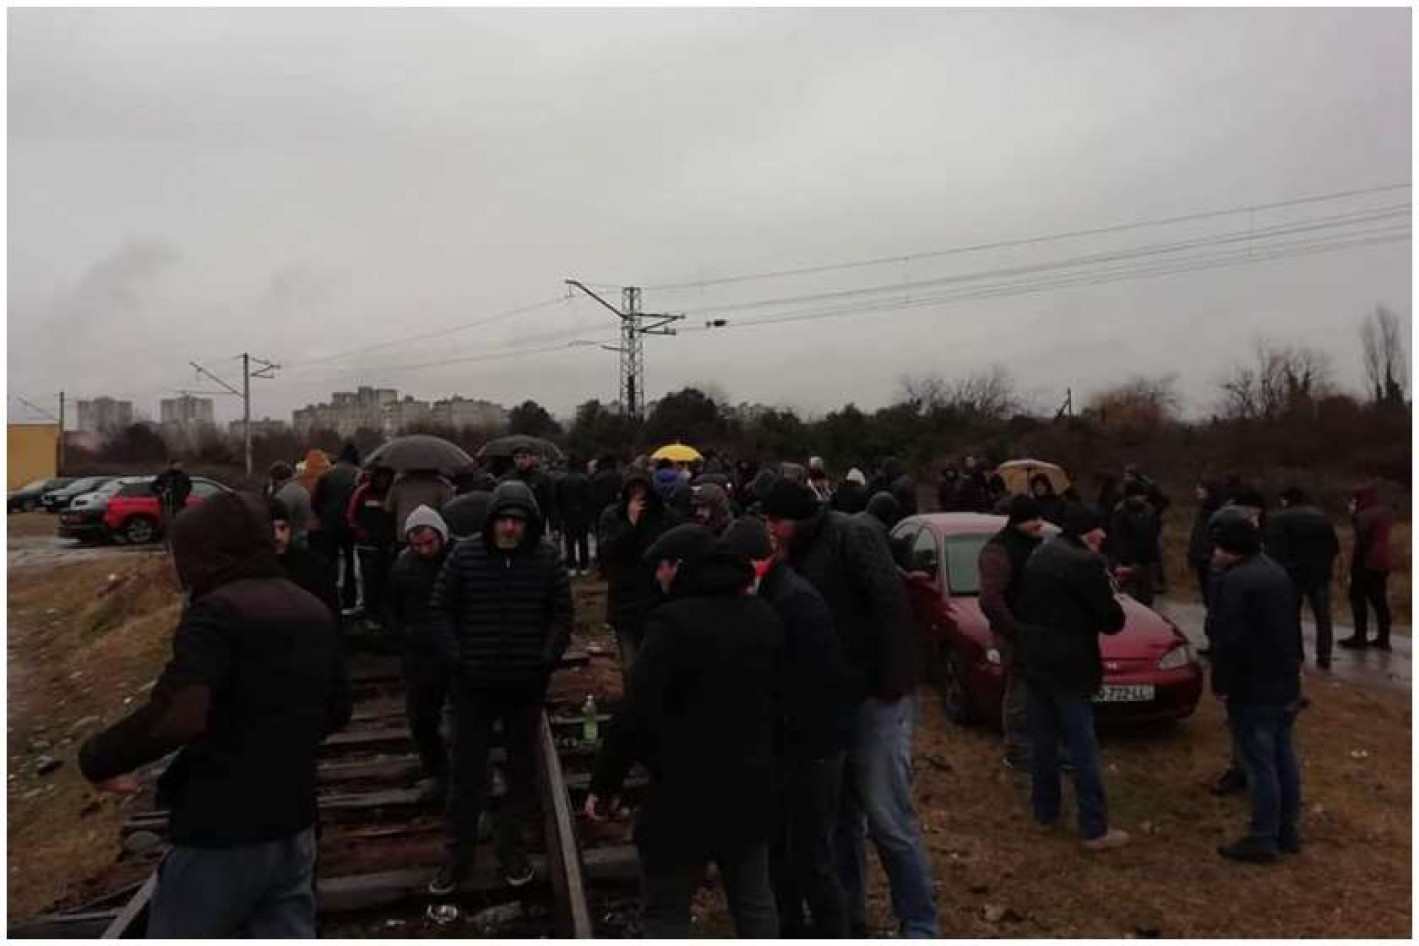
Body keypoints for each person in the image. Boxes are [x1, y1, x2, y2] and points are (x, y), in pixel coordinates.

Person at [78, 492, 350, 937]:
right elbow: (338, 710)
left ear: (201, 551)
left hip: (222, 827)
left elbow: (180, 713)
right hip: (295, 822)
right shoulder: (310, 607)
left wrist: (98, 758)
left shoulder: (215, 614)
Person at [760, 480, 938, 939]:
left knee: (888, 820)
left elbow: (891, 606)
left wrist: (891, 685)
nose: (770, 530)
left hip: (876, 701)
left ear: (798, 518)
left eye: (775, 521)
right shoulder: (793, 553)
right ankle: (850, 917)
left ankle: (920, 924)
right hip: (834, 707)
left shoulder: (852, 534)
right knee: (840, 823)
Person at [586, 524, 782, 939]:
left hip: (683, 795)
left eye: (663, 566)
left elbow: (636, 711)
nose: (658, 575)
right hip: (751, 790)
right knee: (754, 903)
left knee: (667, 911)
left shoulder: (672, 623)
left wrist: (605, 784)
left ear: (681, 567)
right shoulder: (762, 615)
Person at [428, 481, 572, 894]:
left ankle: (512, 850)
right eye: (504, 520)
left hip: (523, 686)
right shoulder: (465, 555)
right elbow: (440, 610)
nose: (510, 528)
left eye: (518, 521)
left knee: (520, 774)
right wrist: (458, 659)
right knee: (465, 775)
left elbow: (561, 614)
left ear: (529, 524)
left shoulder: (546, 558)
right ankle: (457, 855)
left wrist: (546, 658)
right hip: (473, 685)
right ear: (492, 521)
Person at [723, 516, 850, 938]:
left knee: (812, 857)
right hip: (791, 745)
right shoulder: (778, 593)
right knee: (782, 851)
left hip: (811, 749)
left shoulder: (793, 601)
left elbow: (815, 682)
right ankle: (791, 926)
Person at [1014, 503, 1129, 852]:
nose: (1104, 535)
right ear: (1086, 532)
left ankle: (1045, 812)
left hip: (1036, 660)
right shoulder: (1085, 563)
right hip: (1071, 665)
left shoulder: (1040, 554)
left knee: (1043, 742)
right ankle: (1093, 827)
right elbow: (1112, 621)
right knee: (1082, 746)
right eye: (1099, 528)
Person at [1207, 513, 1304, 863]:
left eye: (1217, 546)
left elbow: (1228, 639)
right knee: (1283, 757)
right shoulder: (1276, 572)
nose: (1213, 553)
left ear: (1228, 548)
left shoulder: (1237, 581)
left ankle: (1263, 837)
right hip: (1284, 682)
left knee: (1259, 763)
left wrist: (1221, 682)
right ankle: (1287, 830)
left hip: (1254, 686)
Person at [386, 506, 454, 803]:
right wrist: (404, 635)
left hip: (455, 650)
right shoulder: (403, 567)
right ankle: (436, 772)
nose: (424, 550)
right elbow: (392, 607)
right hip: (420, 654)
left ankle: (469, 776)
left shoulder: (458, 560)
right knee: (421, 719)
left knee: (463, 721)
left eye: (429, 543)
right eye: (417, 545)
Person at [978, 495, 1046, 770]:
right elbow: (990, 599)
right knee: (1020, 691)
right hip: (1016, 634)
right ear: (1020, 520)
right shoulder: (999, 550)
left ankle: (1036, 742)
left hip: (1035, 631)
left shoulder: (1035, 545)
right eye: (1034, 519)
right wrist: (1015, 631)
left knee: (1034, 690)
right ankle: (1017, 750)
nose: (1040, 524)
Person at [598, 469, 673, 672]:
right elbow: (607, 551)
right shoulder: (613, 516)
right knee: (631, 665)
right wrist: (630, 526)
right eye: (633, 489)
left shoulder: (662, 515)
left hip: (655, 599)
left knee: (654, 663)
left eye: (641, 489)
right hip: (625, 600)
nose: (638, 494)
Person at [1265, 487, 1341, 670]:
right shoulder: (1322, 517)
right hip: (1320, 574)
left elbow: (1276, 550)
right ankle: (1324, 655)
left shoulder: (1280, 519)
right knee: (1323, 617)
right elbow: (1334, 547)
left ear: (1286, 500)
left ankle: (1296, 653)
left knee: (1291, 615)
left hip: (1294, 574)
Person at [1340, 483, 1395, 651]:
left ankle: (1360, 636)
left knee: (1357, 598)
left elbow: (1362, 542)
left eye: (1354, 500)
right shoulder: (1384, 512)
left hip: (1366, 562)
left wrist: (1353, 515)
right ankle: (1383, 638)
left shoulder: (1363, 516)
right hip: (1383, 562)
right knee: (1380, 600)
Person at [311, 442, 362, 612]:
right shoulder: (358, 474)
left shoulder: (327, 474)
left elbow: (315, 500)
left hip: (329, 524)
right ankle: (349, 600)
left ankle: (329, 598)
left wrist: (323, 515)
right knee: (350, 563)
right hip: (350, 525)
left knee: (329, 563)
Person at [270, 498, 340, 620]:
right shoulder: (250, 569)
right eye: (271, 529)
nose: (279, 536)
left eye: (283, 528)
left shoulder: (314, 566)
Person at [347, 466, 398, 626]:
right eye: (380, 476)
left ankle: (384, 615)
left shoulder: (393, 492)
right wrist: (362, 534)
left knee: (387, 581)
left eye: (386, 476)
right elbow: (351, 516)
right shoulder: (362, 492)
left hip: (388, 544)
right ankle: (371, 614)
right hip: (367, 545)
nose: (382, 480)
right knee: (369, 581)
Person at [1108, 482, 1161, 606]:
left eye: (1143, 495)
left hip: (1147, 562)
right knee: (1130, 599)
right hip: (1129, 562)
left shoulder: (1150, 510)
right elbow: (1119, 539)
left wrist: (1155, 559)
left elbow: (1154, 535)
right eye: (1139, 495)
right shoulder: (1120, 512)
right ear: (1130, 496)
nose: (1143, 498)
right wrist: (1124, 561)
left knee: (1146, 598)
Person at [502, 448, 559, 542]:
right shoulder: (507, 478)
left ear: (531, 458)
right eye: (517, 458)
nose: (521, 461)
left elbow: (551, 503)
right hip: (514, 522)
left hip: (536, 523)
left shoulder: (542, 478)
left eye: (524, 457)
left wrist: (554, 527)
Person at [387, 469, 454, 545]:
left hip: (404, 531)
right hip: (430, 534)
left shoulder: (400, 483)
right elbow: (449, 509)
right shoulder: (441, 484)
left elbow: (388, 507)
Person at [1187, 480, 1225, 608]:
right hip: (1203, 557)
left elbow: (1206, 536)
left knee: (1212, 594)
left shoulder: (1214, 512)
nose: (1197, 491)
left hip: (1209, 558)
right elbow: (1197, 535)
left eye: (1200, 488)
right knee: (1207, 593)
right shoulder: (1203, 510)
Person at [556, 457, 594, 576]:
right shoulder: (585, 480)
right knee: (583, 541)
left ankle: (571, 566)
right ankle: (584, 566)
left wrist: (560, 516)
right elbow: (589, 499)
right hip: (582, 515)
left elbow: (558, 500)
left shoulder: (561, 480)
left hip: (567, 516)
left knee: (569, 542)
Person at [268, 462, 314, 550]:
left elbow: (279, 522)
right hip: (304, 538)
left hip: (292, 542)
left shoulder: (283, 496)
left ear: (275, 480)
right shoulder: (301, 489)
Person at [152, 459, 193, 530]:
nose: (179, 466)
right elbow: (154, 486)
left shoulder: (184, 476)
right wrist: (162, 491)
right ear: (172, 465)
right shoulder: (164, 475)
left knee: (180, 519)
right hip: (166, 503)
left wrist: (183, 495)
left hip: (179, 502)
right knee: (166, 520)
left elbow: (188, 487)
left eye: (180, 465)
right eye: (177, 464)